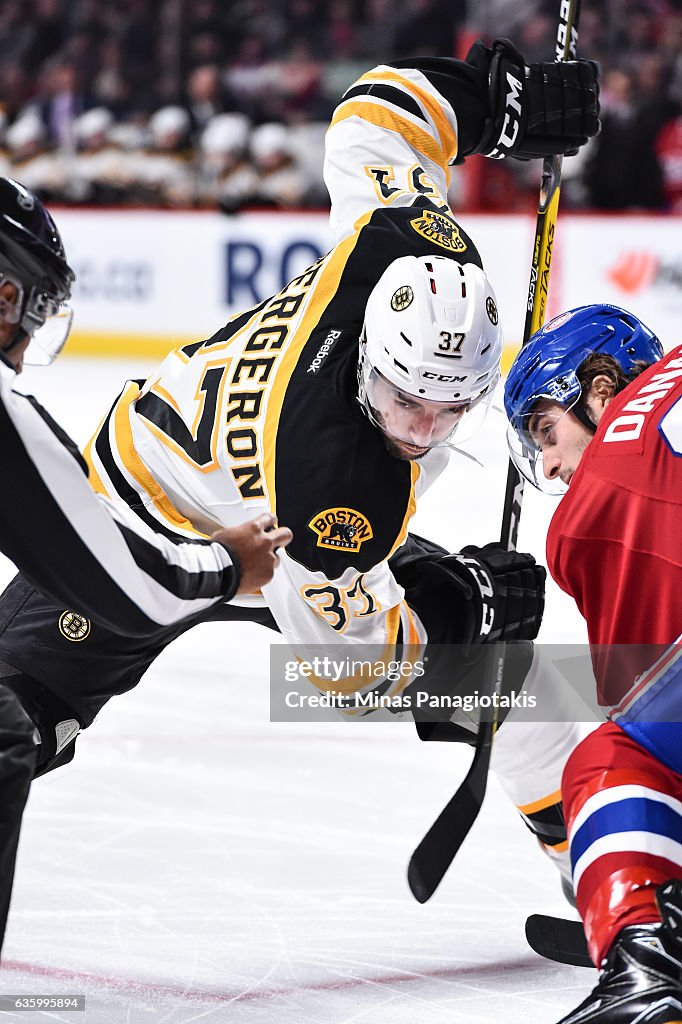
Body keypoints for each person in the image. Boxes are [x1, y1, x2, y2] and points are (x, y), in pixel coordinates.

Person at [0, 40, 598, 946]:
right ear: (369, 358)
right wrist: (456, 601)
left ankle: (608, 868)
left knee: (507, 674)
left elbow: (373, 121)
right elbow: (343, 666)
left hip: (258, 494)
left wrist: (487, 104)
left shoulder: (399, 243)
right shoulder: (334, 485)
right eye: (404, 403)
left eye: (450, 409)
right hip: (141, 513)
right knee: (18, 723)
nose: (423, 431)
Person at [0, 175, 292, 956]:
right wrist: (227, 568)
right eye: (29, 317)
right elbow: (126, 586)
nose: (26, 354)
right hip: (155, 552)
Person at [504, 304, 682, 1023]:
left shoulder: (599, 497)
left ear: (602, 391)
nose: (547, 463)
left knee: (619, 758)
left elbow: (648, 700)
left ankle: (646, 966)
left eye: (546, 430)